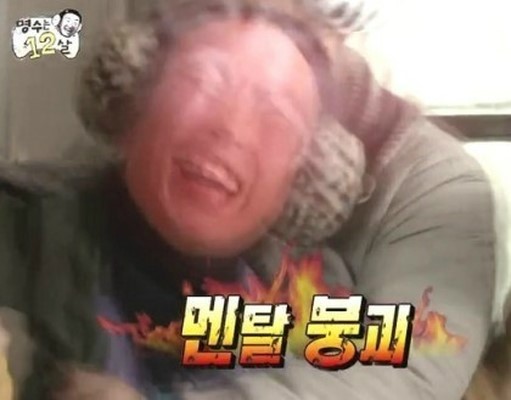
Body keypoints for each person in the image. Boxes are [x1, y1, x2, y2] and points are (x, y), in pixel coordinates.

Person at [0, 0, 495, 399]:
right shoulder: (28, 230)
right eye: (203, 83)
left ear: (304, 178)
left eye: (275, 114)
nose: (230, 127)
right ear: (135, 104)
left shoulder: (328, 288)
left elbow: (411, 367)